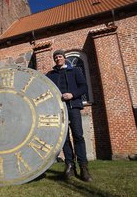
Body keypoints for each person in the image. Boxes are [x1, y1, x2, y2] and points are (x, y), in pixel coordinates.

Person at [46, 49, 93, 182]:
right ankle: (70, 166)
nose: (58, 59)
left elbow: (84, 87)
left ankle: (83, 167)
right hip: (59, 110)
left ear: (64, 58)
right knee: (64, 139)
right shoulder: (50, 75)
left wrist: (73, 94)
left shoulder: (75, 71)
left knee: (78, 136)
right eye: (55, 57)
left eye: (60, 56)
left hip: (73, 106)